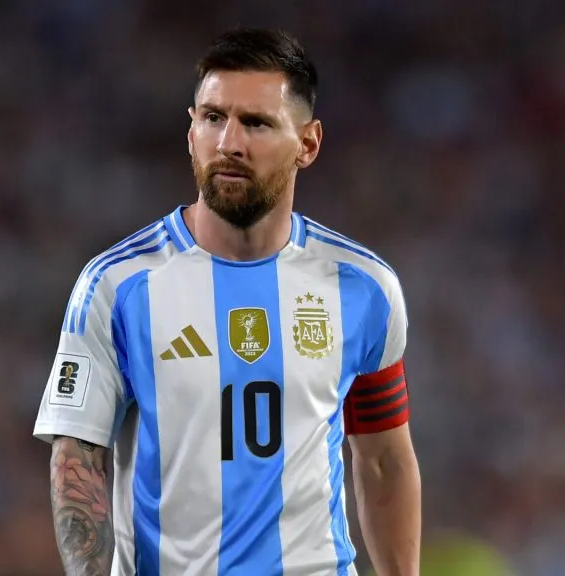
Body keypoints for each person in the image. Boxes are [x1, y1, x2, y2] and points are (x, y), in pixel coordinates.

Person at [33, 28, 422, 576]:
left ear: (307, 144)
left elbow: (383, 461)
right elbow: (77, 460)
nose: (229, 143)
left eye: (257, 123)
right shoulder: (118, 286)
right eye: (213, 118)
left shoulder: (363, 289)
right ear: (190, 129)